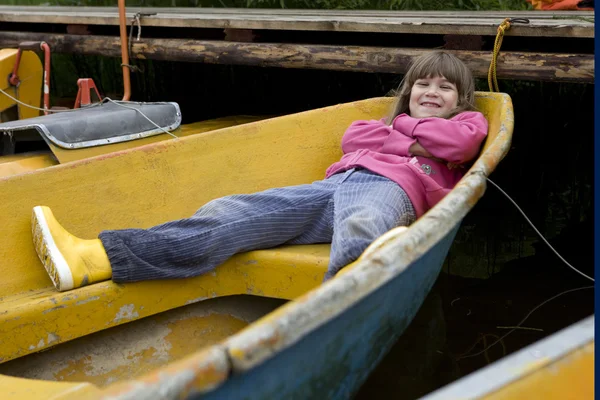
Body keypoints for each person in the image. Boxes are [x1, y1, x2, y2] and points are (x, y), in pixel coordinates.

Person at [32, 51, 488, 292]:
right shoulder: (378, 124)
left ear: (461, 100)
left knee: (364, 224)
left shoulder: (470, 122)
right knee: (230, 212)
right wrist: (413, 135)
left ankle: (343, 305)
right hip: (328, 189)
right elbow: (354, 140)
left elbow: (462, 143)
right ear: (407, 91)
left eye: (444, 88)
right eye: (422, 85)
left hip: (393, 188)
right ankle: (98, 259)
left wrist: (403, 129)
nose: (431, 92)